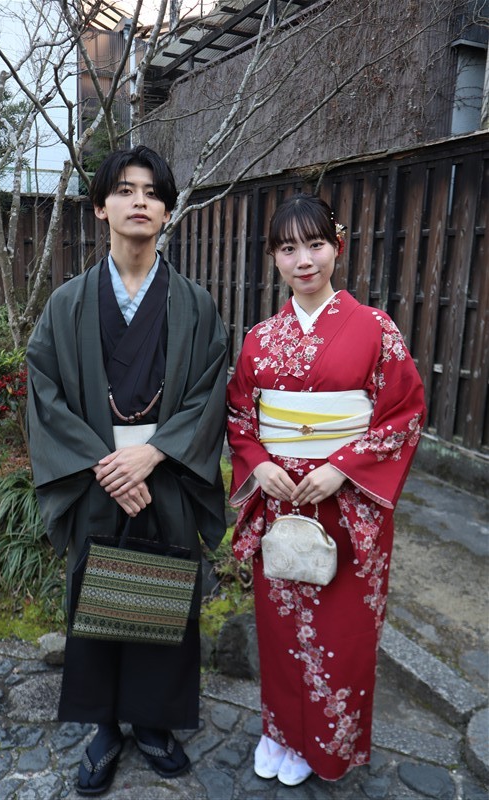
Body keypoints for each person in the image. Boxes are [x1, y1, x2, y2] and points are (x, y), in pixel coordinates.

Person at [26, 146, 228, 796]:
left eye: (152, 192)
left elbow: (209, 392)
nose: (139, 201)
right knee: (97, 599)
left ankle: (153, 722)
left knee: (162, 597)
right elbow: (45, 392)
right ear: (100, 207)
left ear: (167, 211)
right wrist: (102, 463)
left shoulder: (194, 305)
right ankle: (105, 727)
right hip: (96, 477)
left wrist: (155, 451)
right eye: (124, 190)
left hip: (163, 473)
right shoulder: (67, 303)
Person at [226, 194, 426, 785]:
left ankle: (326, 747)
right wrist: (258, 463)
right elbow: (240, 416)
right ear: (274, 258)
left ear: (336, 247)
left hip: (349, 506)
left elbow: (405, 413)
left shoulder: (375, 329)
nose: (304, 260)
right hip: (282, 500)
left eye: (315, 245)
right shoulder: (260, 338)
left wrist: (342, 467)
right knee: (280, 626)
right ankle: (279, 731)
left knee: (343, 633)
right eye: (288, 249)